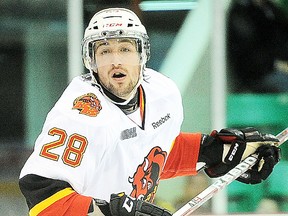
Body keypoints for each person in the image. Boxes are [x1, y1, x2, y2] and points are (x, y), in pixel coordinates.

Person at [19, 8, 280, 216]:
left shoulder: (162, 94)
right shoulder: (81, 114)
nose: (116, 60)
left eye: (125, 49)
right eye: (105, 50)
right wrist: (108, 210)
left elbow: (152, 151)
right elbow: (43, 199)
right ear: (92, 60)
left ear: (142, 54)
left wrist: (213, 152)